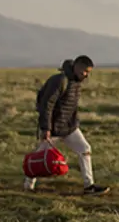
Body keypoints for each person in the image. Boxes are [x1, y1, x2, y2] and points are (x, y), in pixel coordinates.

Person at [25, 55, 109, 195]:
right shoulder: (59, 81)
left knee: (85, 149)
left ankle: (89, 186)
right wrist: (46, 128)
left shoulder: (76, 82)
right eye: (85, 72)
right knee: (39, 156)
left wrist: (74, 123)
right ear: (77, 67)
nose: (86, 75)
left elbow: (72, 107)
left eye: (88, 72)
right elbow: (47, 105)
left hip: (69, 127)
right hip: (53, 129)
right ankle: (28, 186)